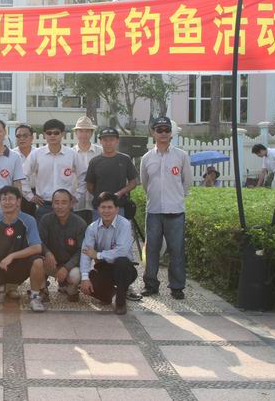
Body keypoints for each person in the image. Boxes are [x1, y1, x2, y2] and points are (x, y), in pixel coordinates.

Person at [140, 117, 192, 300]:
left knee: (176, 250)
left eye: (166, 130)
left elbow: (186, 182)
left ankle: (177, 287)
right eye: (159, 130)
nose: (163, 133)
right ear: (153, 133)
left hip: (175, 211)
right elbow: (145, 183)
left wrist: (175, 197)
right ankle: (150, 284)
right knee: (152, 249)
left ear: (171, 133)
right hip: (154, 210)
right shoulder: (147, 158)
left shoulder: (181, 156)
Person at [0, 186, 46, 312]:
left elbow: (37, 247)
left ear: (18, 201)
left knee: (38, 261)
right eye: (4, 199)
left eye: (11, 199)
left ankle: (35, 296)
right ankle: (2, 287)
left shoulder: (28, 220)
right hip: (0, 265)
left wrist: (12, 256)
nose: (7, 202)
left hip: (21, 265)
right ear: (0, 202)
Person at [80, 192, 138, 315]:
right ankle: (112, 295)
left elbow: (122, 251)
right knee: (87, 284)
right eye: (103, 207)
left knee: (121, 262)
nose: (106, 211)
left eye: (110, 207)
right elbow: (86, 252)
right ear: (98, 209)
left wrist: (98, 255)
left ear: (117, 209)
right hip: (104, 267)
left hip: (124, 268)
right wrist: (84, 277)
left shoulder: (125, 224)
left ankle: (120, 302)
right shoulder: (92, 228)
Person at [22, 119, 84, 221]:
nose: (52, 136)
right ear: (44, 135)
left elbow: (83, 176)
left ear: (62, 134)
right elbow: (23, 175)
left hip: (66, 205)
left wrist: (77, 196)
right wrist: (30, 196)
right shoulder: (37, 154)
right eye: (49, 133)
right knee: (43, 232)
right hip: (44, 205)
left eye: (56, 133)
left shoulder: (72, 154)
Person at [38, 189, 85, 303]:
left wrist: (66, 267)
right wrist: (47, 253)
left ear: (71, 204)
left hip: (70, 265)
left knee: (75, 276)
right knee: (36, 262)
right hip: (51, 262)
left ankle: (71, 289)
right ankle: (42, 289)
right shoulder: (46, 220)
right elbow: (39, 242)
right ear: (52, 204)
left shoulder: (80, 224)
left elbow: (82, 251)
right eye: (56, 202)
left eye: (64, 202)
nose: (60, 206)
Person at [85, 127, 138, 220]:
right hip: (100, 208)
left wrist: (120, 193)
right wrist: (102, 197)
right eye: (105, 140)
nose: (108, 143)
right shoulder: (94, 161)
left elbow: (133, 182)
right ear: (100, 141)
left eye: (111, 140)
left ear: (117, 141)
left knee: (120, 229)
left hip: (119, 207)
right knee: (99, 230)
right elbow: (89, 186)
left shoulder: (125, 159)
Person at [72, 116, 101, 224]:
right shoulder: (70, 153)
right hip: (75, 199)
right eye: (81, 131)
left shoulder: (100, 152)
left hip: (96, 198)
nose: (84, 134)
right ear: (76, 133)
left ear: (92, 133)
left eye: (87, 131)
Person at [11, 124, 37, 217]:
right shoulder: (11, 155)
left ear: (32, 137)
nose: (22, 138)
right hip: (17, 194)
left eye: (25, 135)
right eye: (18, 136)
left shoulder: (38, 153)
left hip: (38, 194)